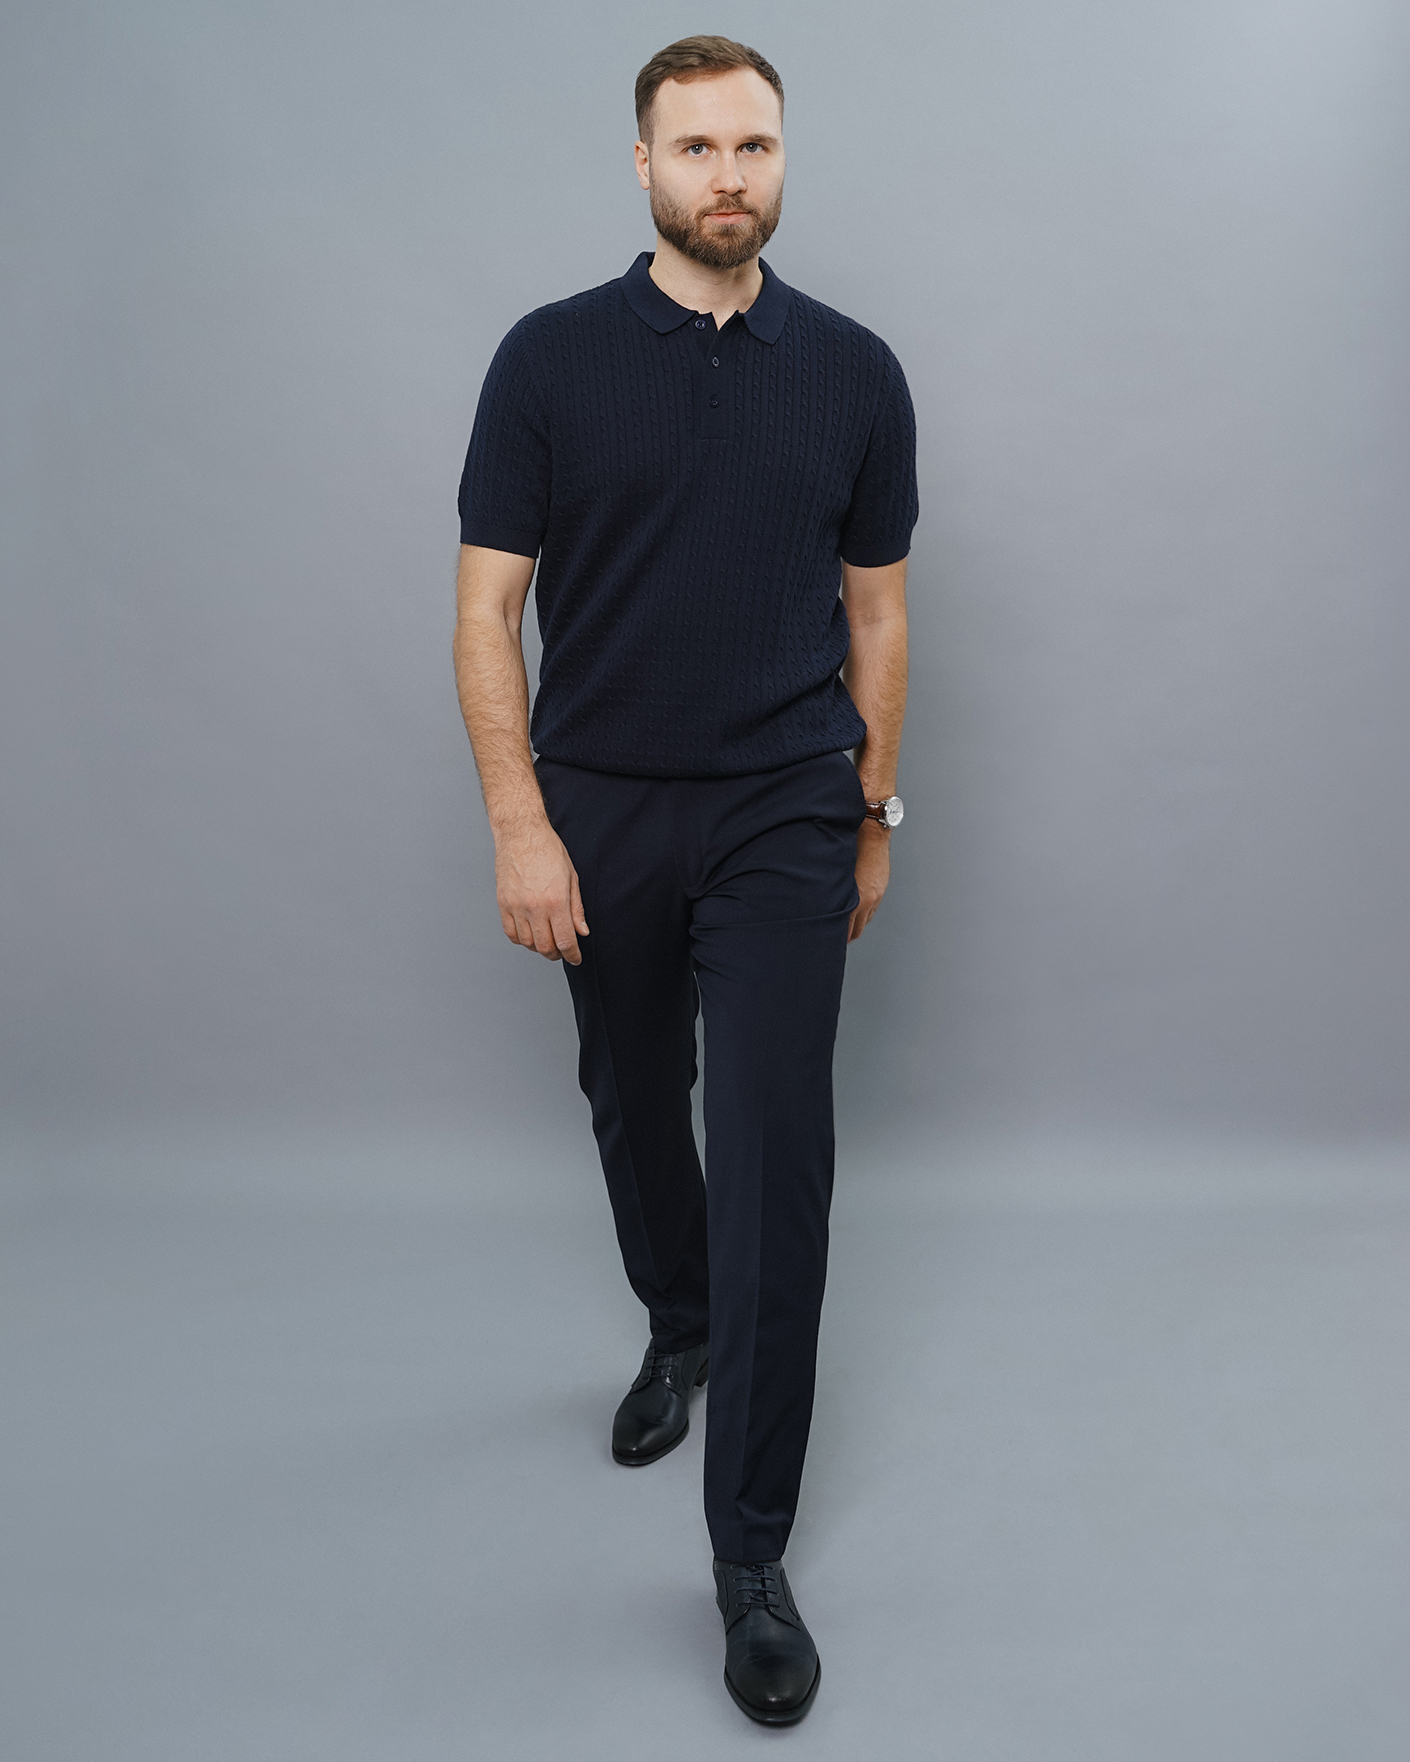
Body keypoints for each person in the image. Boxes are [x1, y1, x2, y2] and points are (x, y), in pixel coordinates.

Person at [452, 34, 916, 1726]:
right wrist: (520, 821)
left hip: (788, 806)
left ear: (784, 161)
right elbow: (486, 608)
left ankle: (749, 1557)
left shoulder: (854, 372)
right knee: (637, 1095)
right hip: (603, 806)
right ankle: (679, 1320)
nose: (729, 175)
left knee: (777, 1147)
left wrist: (872, 811)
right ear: (641, 164)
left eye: (754, 146)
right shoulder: (549, 359)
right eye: (698, 146)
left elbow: (877, 613)